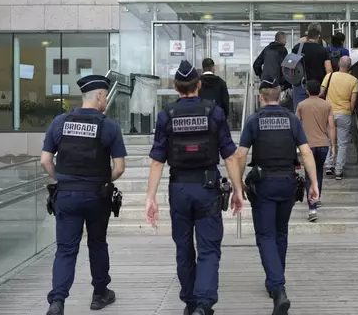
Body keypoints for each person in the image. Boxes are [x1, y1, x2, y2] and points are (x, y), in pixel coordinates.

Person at [144, 60, 244, 315]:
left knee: (183, 247)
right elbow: (230, 156)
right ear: (198, 85)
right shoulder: (214, 113)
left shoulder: (167, 115)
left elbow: (157, 161)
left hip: (178, 189)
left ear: (177, 87)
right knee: (209, 249)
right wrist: (237, 190)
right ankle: (203, 303)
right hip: (207, 187)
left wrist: (150, 197)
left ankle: (190, 302)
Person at [40, 75, 127, 315]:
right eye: (105, 97)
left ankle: (57, 302)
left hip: (67, 195)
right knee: (97, 243)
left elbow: (45, 161)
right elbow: (119, 168)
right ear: (99, 96)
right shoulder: (109, 126)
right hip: (97, 196)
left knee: (66, 250)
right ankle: (100, 294)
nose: (106, 102)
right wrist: (101, 179)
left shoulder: (60, 122)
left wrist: (62, 179)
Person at [235, 76, 320, 315]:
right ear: (280, 96)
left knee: (265, 235)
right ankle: (275, 281)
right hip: (288, 182)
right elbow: (305, 153)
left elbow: (240, 155)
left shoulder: (254, 120)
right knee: (281, 232)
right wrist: (314, 182)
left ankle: (278, 286)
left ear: (260, 97)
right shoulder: (291, 119)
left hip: (264, 184)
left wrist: (238, 183)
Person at [296, 79, 336, 221]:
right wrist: (333, 146)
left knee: (309, 175)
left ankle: (312, 209)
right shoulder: (327, 105)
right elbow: (331, 126)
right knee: (318, 171)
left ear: (307, 91)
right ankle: (317, 197)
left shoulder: (301, 105)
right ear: (319, 91)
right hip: (323, 144)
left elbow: (296, 126)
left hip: (307, 146)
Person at [321, 56, 358, 180]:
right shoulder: (354, 80)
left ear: (338, 64)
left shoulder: (329, 76)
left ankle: (328, 166)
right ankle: (338, 171)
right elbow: (353, 101)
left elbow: (321, 93)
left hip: (329, 113)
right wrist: (350, 109)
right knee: (342, 143)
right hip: (344, 114)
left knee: (329, 140)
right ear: (350, 66)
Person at [291, 26, 332, 111]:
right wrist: (326, 86)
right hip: (317, 87)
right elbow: (329, 70)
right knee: (317, 112)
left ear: (306, 37)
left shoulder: (297, 48)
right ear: (318, 37)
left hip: (300, 85)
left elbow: (290, 66)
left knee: (300, 112)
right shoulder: (323, 50)